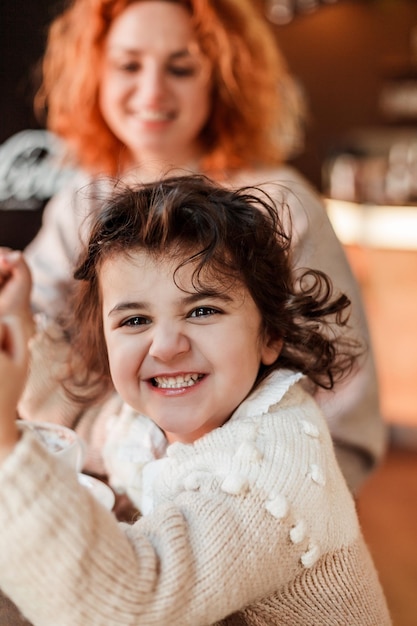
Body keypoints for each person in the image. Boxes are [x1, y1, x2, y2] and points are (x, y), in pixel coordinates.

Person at [19, 0, 386, 493]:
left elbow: (347, 413)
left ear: (221, 78)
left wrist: (286, 508)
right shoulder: (81, 201)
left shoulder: (280, 202)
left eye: (181, 67)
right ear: (95, 75)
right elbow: (31, 335)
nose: (152, 90)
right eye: (129, 65)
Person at [0, 175, 391, 625]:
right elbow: (74, 411)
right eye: (134, 320)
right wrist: (15, 320)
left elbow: (130, 607)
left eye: (203, 310)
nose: (166, 346)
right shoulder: (141, 424)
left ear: (270, 334)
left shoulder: (270, 474)